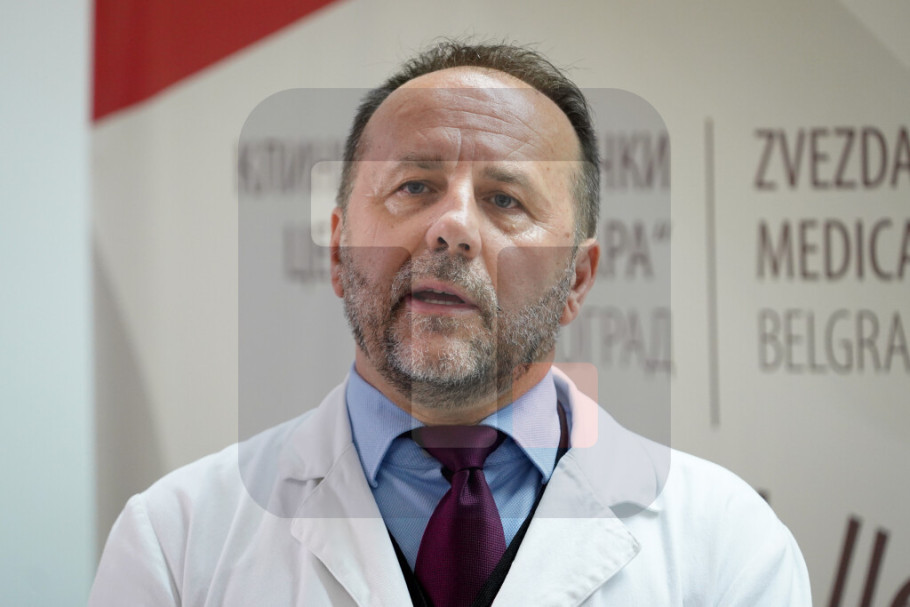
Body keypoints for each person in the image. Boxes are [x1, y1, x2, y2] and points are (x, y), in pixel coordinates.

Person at [90, 41, 812, 606]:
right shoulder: (177, 541)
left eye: (505, 199)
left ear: (577, 280)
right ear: (339, 252)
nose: (452, 227)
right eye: (415, 186)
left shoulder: (728, 547)